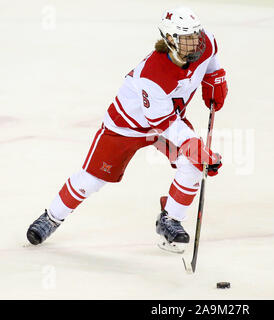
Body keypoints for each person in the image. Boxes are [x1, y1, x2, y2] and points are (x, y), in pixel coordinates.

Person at [26, 7, 228, 254]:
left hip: (166, 123)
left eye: (196, 35)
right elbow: (163, 124)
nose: (195, 43)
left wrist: (215, 78)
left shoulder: (204, 44)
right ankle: (52, 217)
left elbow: (211, 58)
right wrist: (199, 149)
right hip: (126, 127)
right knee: (92, 180)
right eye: (187, 39)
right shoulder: (152, 76)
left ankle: (170, 220)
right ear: (170, 40)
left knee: (192, 164)